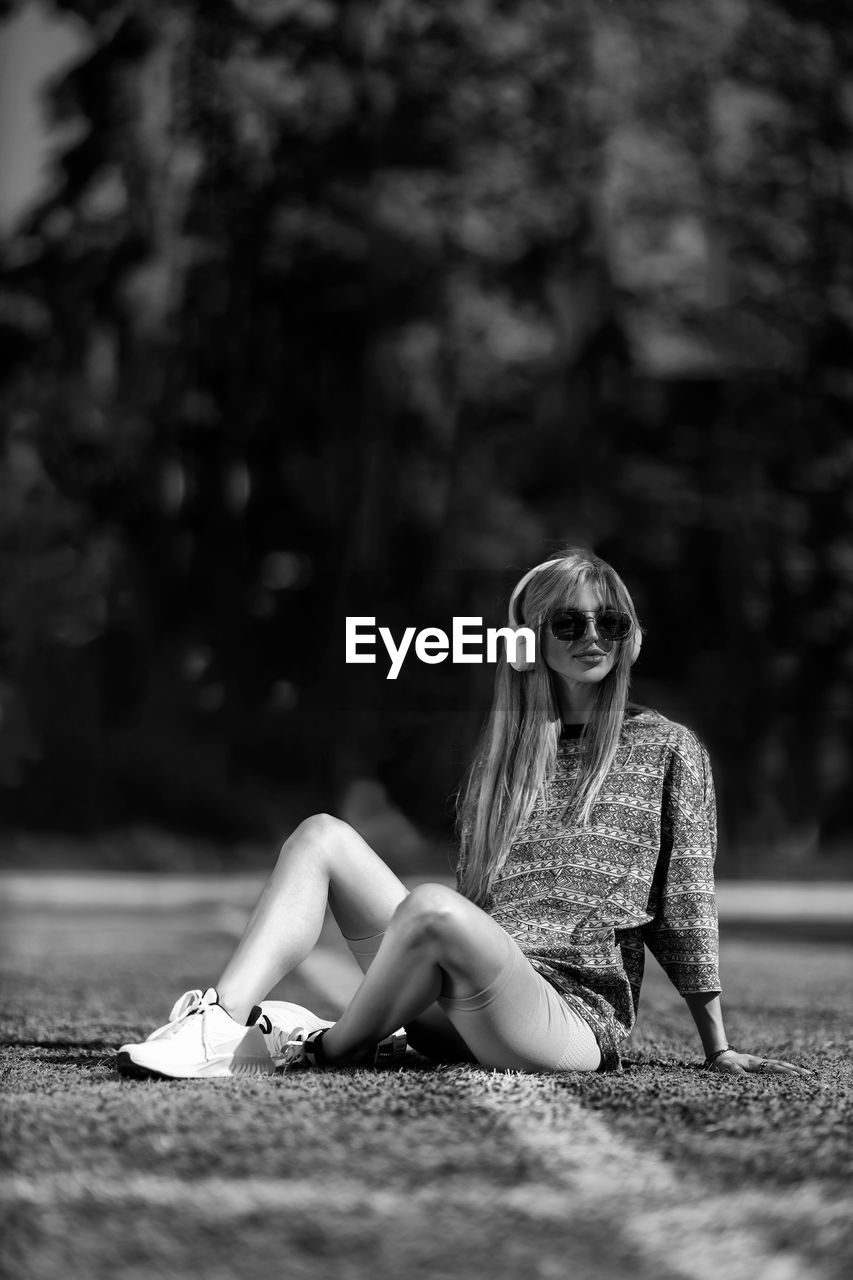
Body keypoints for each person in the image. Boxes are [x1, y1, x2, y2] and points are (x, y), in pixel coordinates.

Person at [117, 548, 810, 1080]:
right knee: (321, 836)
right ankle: (220, 1023)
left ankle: (321, 1047)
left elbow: (686, 904)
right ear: (530, 640)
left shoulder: (668, 748)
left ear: (631, 637)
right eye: (567, 622)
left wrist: (716, 1045)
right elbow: (484, 899)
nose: (590, 634)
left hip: (565, 1021)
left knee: (432, 909)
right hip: (462, 1003)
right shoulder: (506, 759)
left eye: (610, 621)